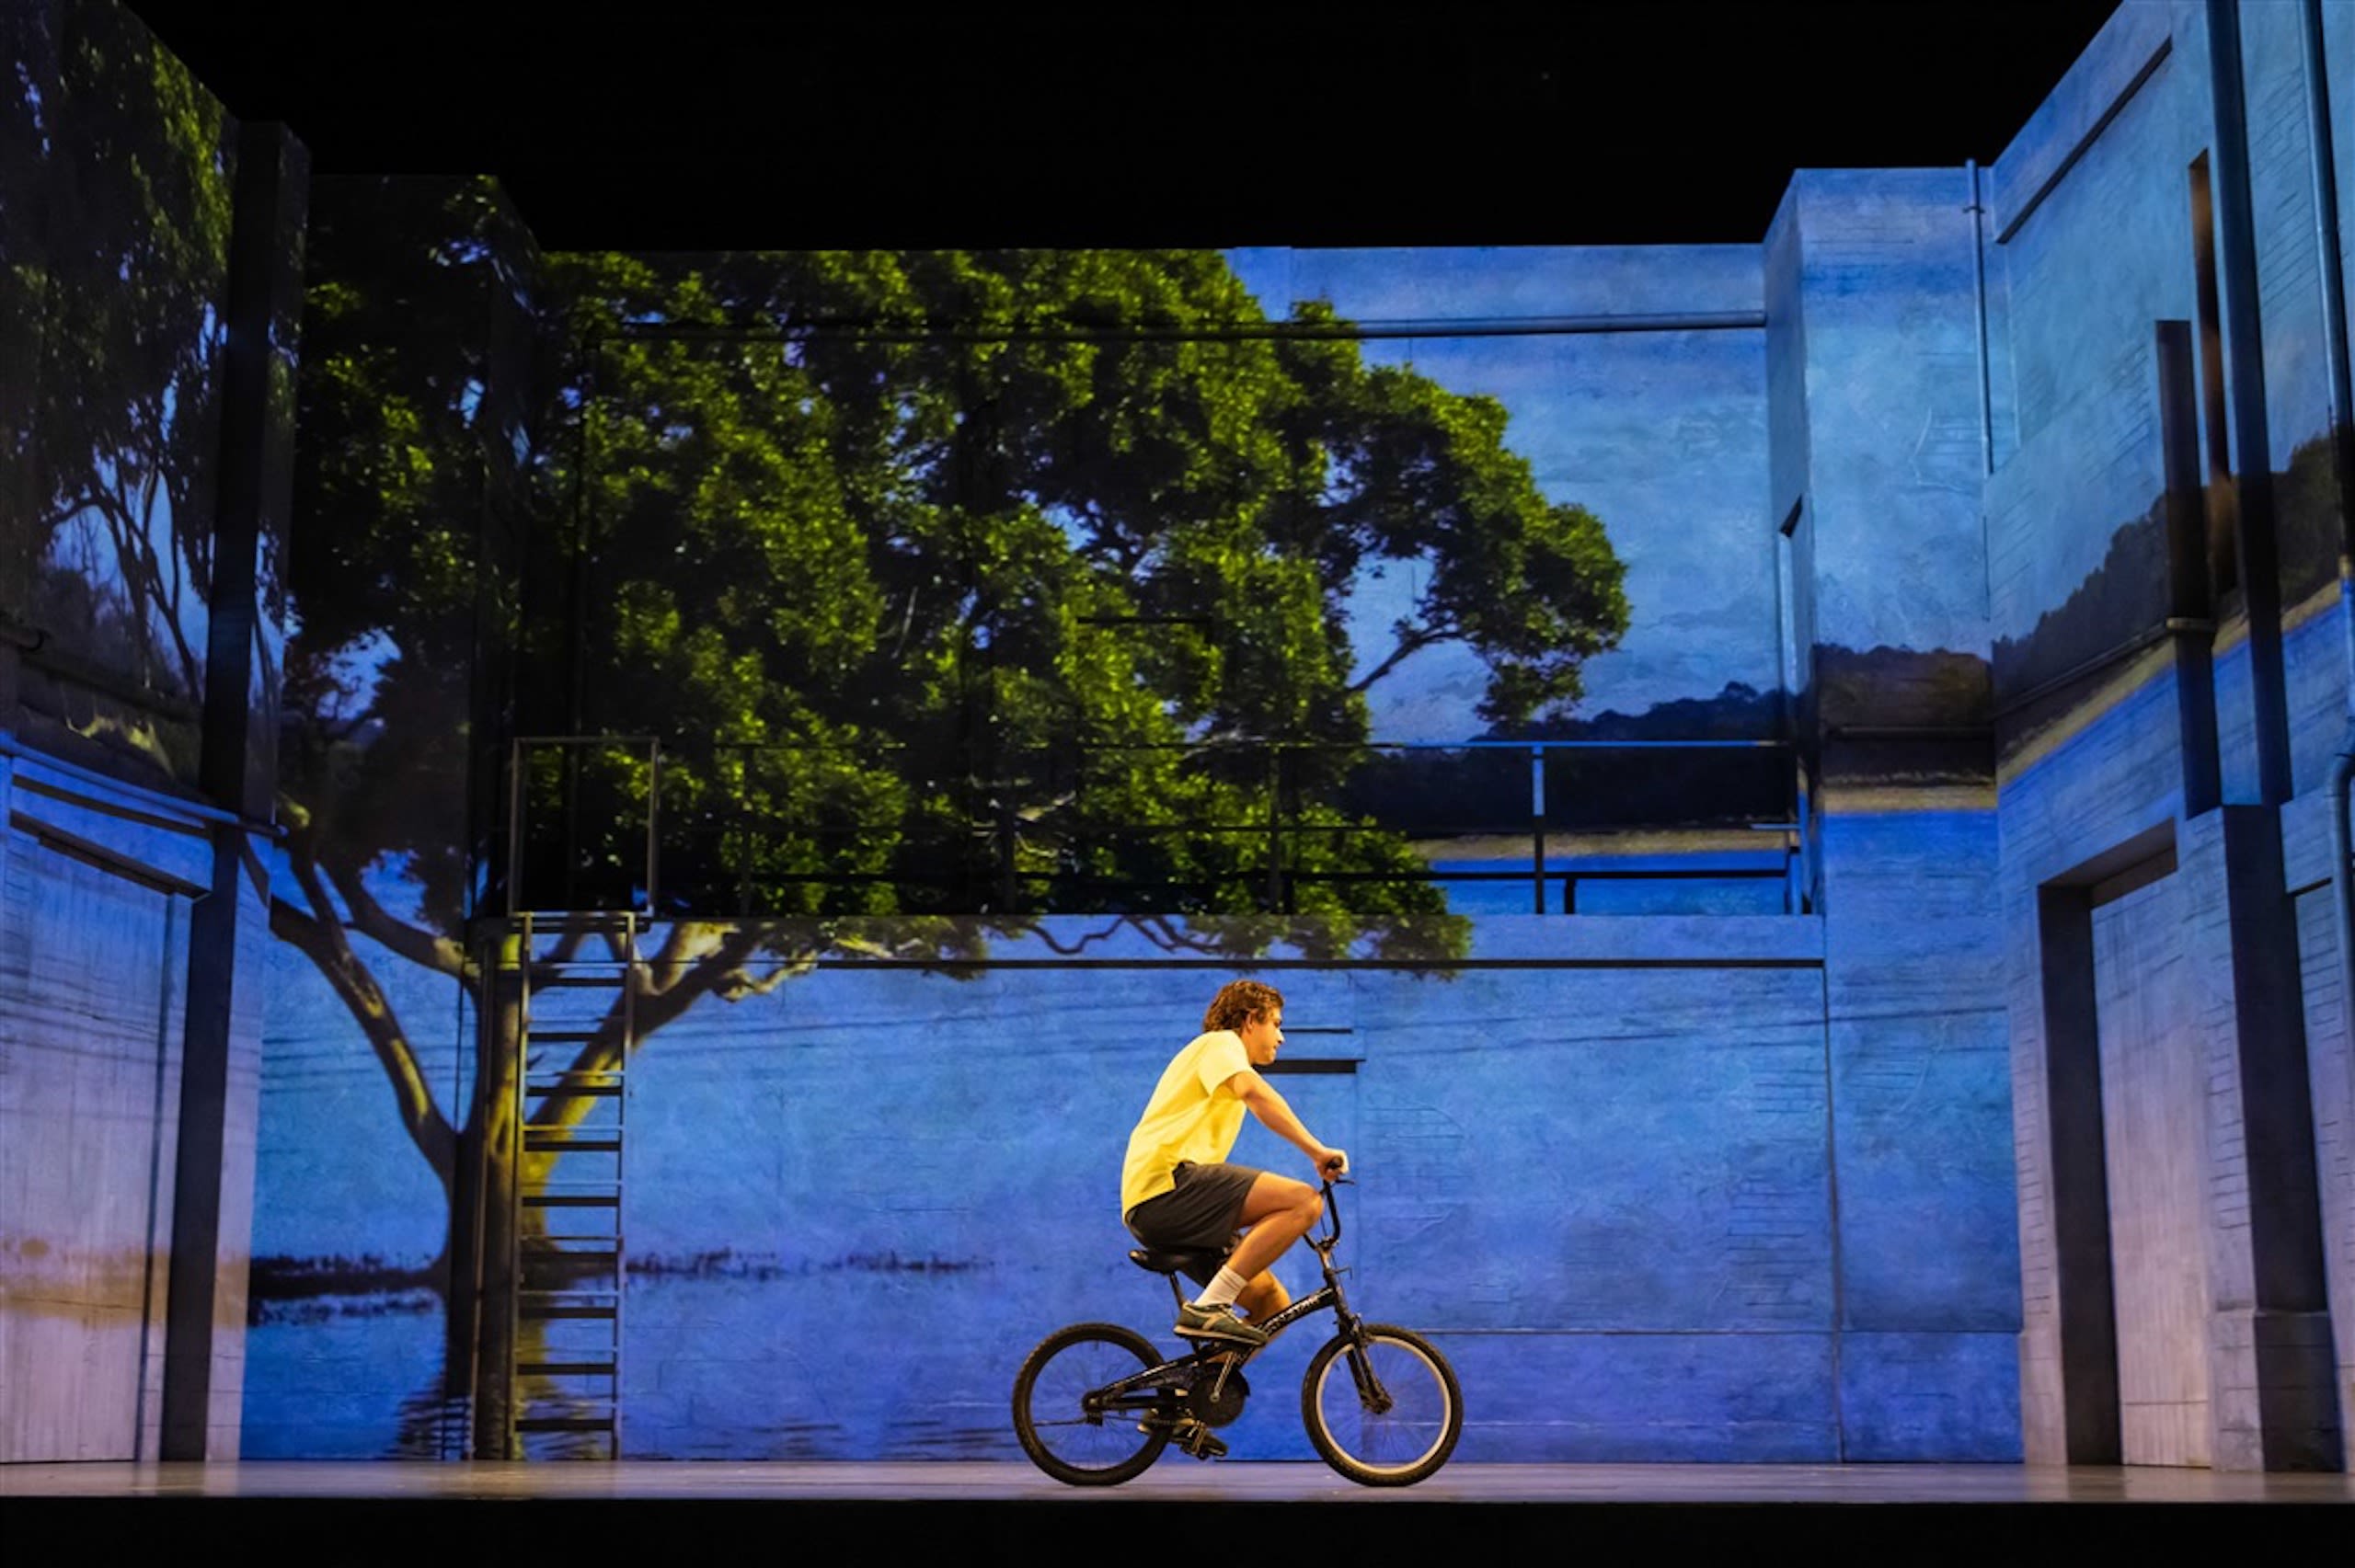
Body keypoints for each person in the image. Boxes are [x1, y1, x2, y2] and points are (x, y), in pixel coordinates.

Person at [1119, 979, 1348, 1347]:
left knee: (1271, 1304)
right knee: (1304, 1201)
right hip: (1165, 1186)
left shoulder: (1218, 1063)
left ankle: (1192, 1399)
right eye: (1277, 1024)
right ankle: (1209, 1308)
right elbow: (1254, 1092)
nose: (1281, 1037)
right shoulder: (1221, 1044)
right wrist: (1317, 1151)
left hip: (1172, 1207)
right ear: (1250, 1020)